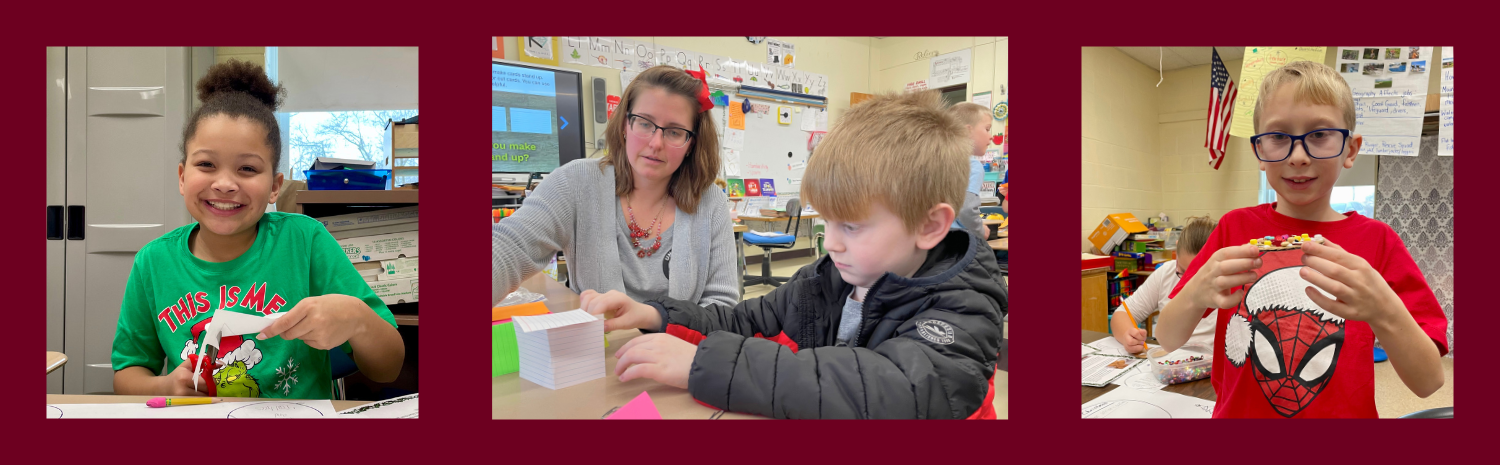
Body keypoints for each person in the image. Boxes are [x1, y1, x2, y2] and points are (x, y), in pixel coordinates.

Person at [579, 91, 1005, 419]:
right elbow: (742, 321)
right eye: (829, 223)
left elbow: (881, 388)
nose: (833, 243)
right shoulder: (829, 279)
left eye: (852, 227)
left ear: (930, 226)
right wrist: (655, 315)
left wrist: (704, 365)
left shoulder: (963, 307)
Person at [1153, 61, 1447, 418]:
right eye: (1278, 137)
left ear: (1351, 150)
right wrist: (1196, 289)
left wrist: (1383, 310)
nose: (1298, 157)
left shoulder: (1378, 242)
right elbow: (1167, 339)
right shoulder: (1233, 229)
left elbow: (1429, 381)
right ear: (1258, 151)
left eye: (1320, 135)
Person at [112, 60, 404, 398]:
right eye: (206, 164)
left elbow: (388, 368)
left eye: (247, 168)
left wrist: (357, 318)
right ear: (182, 177)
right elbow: (127, 375)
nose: (224, 184)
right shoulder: (153, 262)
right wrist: (165, 385)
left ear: (275, 187)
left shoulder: (305, 242)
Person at [493, 66, 737, 310]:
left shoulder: (709, 201)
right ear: (624, 125)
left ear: (691, 144)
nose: (655, 143)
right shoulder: (576, 182)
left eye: (674, 132)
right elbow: (509, 248)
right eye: (644, 123)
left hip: (681, 346)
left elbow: (721, 306)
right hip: (600, 346)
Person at [1110, 217, 1217, 353]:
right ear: (1176, 250)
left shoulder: (1232, 283)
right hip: (1169, 362)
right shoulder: (1165, 274)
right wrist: (1128, 336)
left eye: (1199, 276)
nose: (1189, 284)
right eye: (1182, 272)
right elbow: (1122, 314)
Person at [946, 102, 992, 239]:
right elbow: (966, 210)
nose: (991, 136)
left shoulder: (935, 162)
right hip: (957, 241)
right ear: (967, 131)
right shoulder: (972, 165)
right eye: (987, 129)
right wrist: (981, 231)